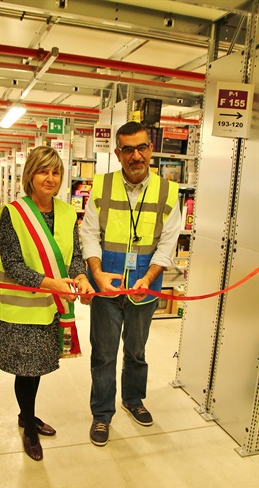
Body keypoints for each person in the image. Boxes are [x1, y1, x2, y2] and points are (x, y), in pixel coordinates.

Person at [80, 121, 181, 446]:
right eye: (128, 149)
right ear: (118, 153)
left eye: (141, 148)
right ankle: (101, 414)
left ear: (150, 150)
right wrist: (96, 274)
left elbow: (168, 242)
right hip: (106, 288)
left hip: (145, 288)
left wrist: (148, 278)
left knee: (136, 352)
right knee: (104, 354)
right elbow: (89, 233)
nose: (135, 156)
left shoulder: (168, 191)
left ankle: (133, 400)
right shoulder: (101, 185)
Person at [0, 145, 94, 461]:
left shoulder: (67, 213)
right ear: (30, 176)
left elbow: (74, 256)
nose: (50, 178)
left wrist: (81, 278)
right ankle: (29, 428)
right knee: (25, 370)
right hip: (22, 310)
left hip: (52, 308)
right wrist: (52, 283)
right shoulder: (12, 213)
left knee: (36, 369)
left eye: (55, 172)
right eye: (43, 171)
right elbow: (13, 264)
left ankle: (28, 415)